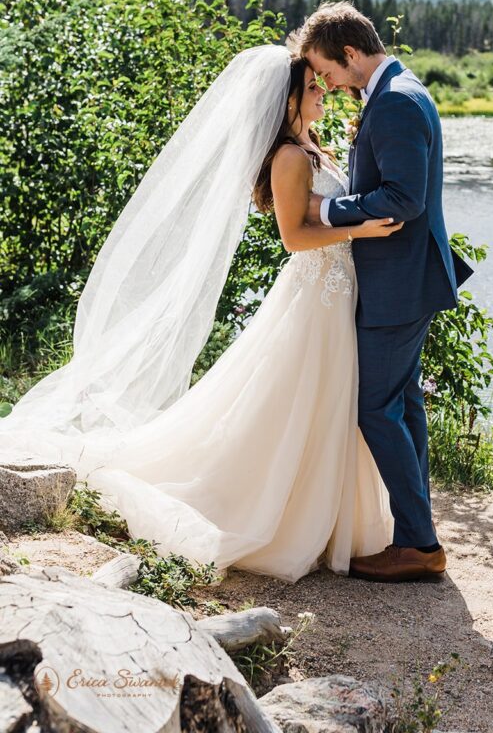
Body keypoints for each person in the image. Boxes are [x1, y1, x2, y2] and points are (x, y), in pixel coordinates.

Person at [0, 45, 402, 583]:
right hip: (316, 294)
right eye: (310, 85)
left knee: (321, 402)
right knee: (300, 400)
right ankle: (275, 512)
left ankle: (328, 517)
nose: (321, 90)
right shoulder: (287, 156)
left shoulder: (311, 145)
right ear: (284, 103)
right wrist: (360, 229)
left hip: (337, 292)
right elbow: (293, 238)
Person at [299, 1, 472, 582]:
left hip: (398, 282)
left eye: (325, 70)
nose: (324, 82)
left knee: (375, 408)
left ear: (350, 54)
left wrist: (325, 207)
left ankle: (418, 544)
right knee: (403, 406)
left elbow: (403, 198)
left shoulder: (396, 101)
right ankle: (415, 535)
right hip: (405, 278)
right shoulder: (398, 91)